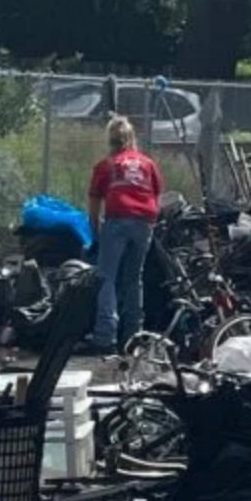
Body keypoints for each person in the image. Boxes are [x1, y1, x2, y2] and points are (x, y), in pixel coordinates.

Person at [86, 116, 163, 354]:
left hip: (118, 219)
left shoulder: (106, 165)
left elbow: (94, 198)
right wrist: (151, 221)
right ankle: (133, 336)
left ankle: (105, 335)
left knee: (106, 276)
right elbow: (157, 194)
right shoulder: (147, 164)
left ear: (111, 139)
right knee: (134, 277)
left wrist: (95, 226)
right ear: (131, 138)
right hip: (144, 221)